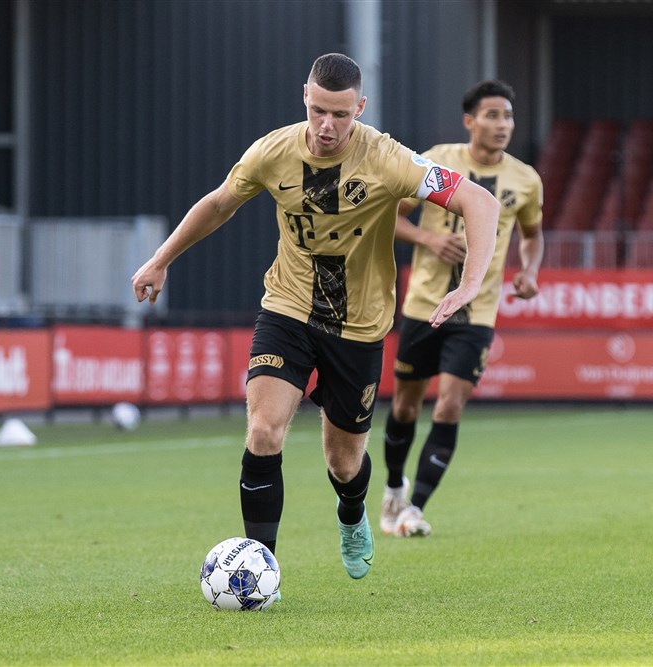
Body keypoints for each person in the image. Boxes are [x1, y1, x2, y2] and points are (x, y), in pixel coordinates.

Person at [131, 54, 500, 581]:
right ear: (305, 95)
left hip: (360, 326)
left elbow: (479, 202)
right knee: (263, 430)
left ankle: (353, 513)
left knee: (344, 463)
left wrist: (470, 284)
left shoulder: (389, 158)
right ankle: (261, 570)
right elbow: (218, 204)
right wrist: (160, 259)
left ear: (360, 108)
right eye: (318, 111)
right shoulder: (272, 152)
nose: (327, 126)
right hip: (287, 306)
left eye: (341, 115)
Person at [379, 80, 544, 538]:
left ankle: (413, 508)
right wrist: (429, 238)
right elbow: (393, 216)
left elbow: (532, 235)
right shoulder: (437, 161)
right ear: (470, 121)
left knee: (449, 406)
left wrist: (530, 271)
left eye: (508, 116)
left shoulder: (525, 180)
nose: (502, 124)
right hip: (423, 306)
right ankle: (394, 486)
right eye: (492, 115)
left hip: (477, 313)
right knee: (407, 408)